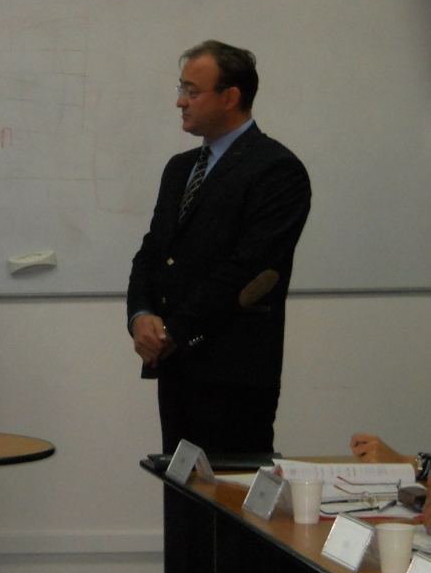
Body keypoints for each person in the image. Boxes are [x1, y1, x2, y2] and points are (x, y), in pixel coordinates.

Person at [127, 40, 312, 454]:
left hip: (233, 375)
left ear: (230, 97)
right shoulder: (180, 169)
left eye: (192, 92)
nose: (180, 101)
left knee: (227, 491)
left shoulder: (276, 169)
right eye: (181, 89)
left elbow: (247, 270)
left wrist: (173, 331)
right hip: (176, 368)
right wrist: (141, 315)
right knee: (180, 487)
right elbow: (152, 252)